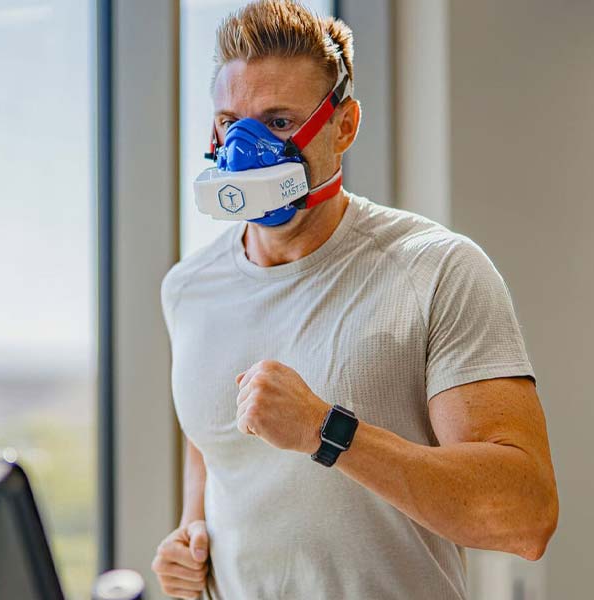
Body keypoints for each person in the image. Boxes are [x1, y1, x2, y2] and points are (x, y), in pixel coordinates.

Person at [152, 1, 559, 598]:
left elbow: (526, 517)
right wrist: (191, 535)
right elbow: (214, 450)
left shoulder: (436, 270)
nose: (245, 149)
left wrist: (326, 432)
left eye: (280, 122)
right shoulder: (188, 288)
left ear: (343, 127)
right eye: (230, 121)